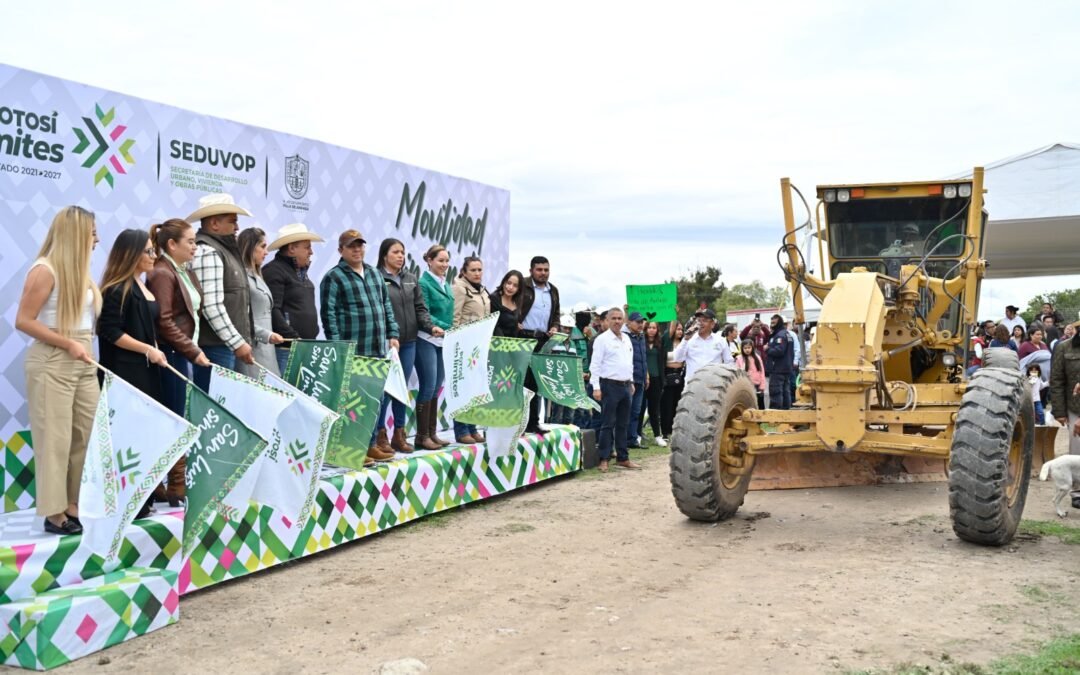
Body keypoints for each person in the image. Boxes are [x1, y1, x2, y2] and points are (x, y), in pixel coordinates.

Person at [15, 206, 102, 535]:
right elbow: (24, 320)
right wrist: (67, 343)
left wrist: (79, 345)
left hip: (83, 360)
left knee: (86, 435)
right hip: (53, 361)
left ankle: (75, 503)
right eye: (92, 233)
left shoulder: (80, 271)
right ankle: (54, 513)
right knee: (55, 440)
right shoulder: (45, 269)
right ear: (75, 234)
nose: (96, 239)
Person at [320, 230, 400, 464]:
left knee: (375, 400)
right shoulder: (333, 277)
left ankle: (370, 445)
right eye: (351, 246)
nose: (357, 250)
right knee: (352, 401)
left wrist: (393, 333)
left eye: (360, 245)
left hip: (377, 347)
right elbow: (328, 314)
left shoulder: (374, 274)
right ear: (341, 250)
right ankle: (351, 449)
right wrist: (338, 346)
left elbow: (386, 305)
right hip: (353, 349)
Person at [380, 238, 442, 454]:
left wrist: (430, 326)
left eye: (402, 252)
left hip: (409, 342)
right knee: (386, 390)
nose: (400, 256)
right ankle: (380, 436)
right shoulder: (376, 277)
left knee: (401, 389)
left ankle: (399, 434)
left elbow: (420, 308)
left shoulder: (410, 278)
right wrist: (389, 334)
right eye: (395, 252)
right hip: (388, 343)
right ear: (384, 255)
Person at [147, 219, 211, 414]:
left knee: (184, 412)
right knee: (176, 412)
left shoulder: (185, 271)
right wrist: (192, 351)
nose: (195, 247)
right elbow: (164, 321)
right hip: (173, 354)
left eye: (195, 242)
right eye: (190, 242)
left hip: (185, 352)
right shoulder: (162, 273)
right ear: (172, 244)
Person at [188, 193, 256, 374]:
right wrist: (237, 342)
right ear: (214, 224)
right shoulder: (207, 251)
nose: (237, 227)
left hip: (226, 345)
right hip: (217, 347)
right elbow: (210, 305)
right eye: (233, 221)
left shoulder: (220, 250)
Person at [97, 229, 168, 399]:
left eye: (154, 250)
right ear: (132, 254)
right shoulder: (116, 289)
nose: (154, 256)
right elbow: (111, 331)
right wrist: (147, 349)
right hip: (124, 373)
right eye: (149, 251)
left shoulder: (141, 285)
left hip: (145, 369)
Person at [263, 223, 324, 374]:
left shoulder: (300, 273)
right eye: (307, 247)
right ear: (291, 249)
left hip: (304, 347)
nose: (311, 252)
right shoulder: (274, 271)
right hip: (286, 349)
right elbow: (273, 309)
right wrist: (293, 337)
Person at [589, 307, 642, 472]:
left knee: (623, 424)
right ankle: (604, 458)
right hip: (609, 385)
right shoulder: (602, 340)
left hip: (626, 385)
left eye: (620, 318)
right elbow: (595, 365)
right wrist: (596, 387)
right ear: (607, 320)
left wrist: (631, 381)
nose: (617, 321)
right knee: (607, 423)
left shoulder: (626, 339)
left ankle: (623, 458)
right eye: (614, 318)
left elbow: (629, 362)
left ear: (624, 320)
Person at [416, 244, 454, 449]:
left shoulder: (445, 284)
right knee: (428, 385)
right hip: (426, 338)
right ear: (429, 260)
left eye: (447, 261)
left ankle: (432, 433)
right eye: (440, 260)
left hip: (442, 340)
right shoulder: (423, 283)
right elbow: (425, 312)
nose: (444, 264)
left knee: (437, 386)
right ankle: (422, 436)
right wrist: (448, 327)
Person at [450, 256, 490, 443]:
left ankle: (472, 427)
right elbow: (455, 316)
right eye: (473, 270)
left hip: (479, 345)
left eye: (479, 270)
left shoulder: (482, 290)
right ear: (464, 272)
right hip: (464, 345)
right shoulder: (459, 288)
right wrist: (456, 343)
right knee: (463, 388)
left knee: (475, 387)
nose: (477, 273)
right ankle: (461, 430)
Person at [520, 256, 561, 434]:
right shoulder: (522, 285)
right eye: (539, 270)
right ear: (531, 271)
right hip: (523, 338)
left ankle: (533, 422)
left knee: (536, 383)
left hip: (543, 340)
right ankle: (519, 423)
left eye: (546, 270)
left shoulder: (553, 290)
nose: (543, 273)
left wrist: (555, 326)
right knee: (522, 382)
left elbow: (556, 313)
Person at [236, 228, 284, 377]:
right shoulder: (240, 277)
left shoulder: (257, 276)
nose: (266, 252)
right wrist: (267, 335)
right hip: (252, 348)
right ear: (250, 247)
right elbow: (239, 318)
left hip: (265, 349)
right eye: (262, 246)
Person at [1049, 323, 1080, 508]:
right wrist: (1059, 411)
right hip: (1074, 406)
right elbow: (1057, 380)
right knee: (1077, 449)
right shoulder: (1063, 348)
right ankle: (1077, 491)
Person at [672, 308, 733, 381]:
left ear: (712, 324)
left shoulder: (721, 340)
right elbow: (677, 358)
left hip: (714, 384)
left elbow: (729, 363)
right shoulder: (688, 339)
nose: (700, 323)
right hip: (692, 384)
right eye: (698, 320)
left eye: (704, 320)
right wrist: (685, 339)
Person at [660, 320, 685, 442]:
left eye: (681, 330)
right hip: (667, 375)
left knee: (678, 404)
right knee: (667, 404)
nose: (680, 332)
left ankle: (677, 430)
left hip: (680, 375)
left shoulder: (684, 343)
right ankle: (665, 432)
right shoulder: (666, 343)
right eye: (678, 329)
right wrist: (674, 317)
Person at [642, 321, 667, 446]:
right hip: (643, 379)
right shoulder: (641, 342)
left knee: (654, 409)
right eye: (649, 327)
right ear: (645, 329)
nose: (651, 330)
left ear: (657, 330)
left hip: (656, 379)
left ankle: (657, 435)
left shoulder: (660, 343)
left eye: (654, 328)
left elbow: (663, 362)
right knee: (640, 409)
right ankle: (637, 435)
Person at [765, 314, 795, 410]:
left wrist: (767, 349)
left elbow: (779, 350)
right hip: (786, 368)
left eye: (774, 323)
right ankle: (786, 411)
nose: (772, 325)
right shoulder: (787, 334)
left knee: (776, 391)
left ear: (779, 323)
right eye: (771, 322)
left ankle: (776, 412)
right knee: (785, 391)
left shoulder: (780, 335)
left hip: (778, 368)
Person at [490, 270, 524, 337]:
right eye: (509, 283)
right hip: (498, 340)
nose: (510, 287)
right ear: (503, 282)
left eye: (515, 286)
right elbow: (495, 325)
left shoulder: (517, 301)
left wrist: (516, 325)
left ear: (519, 289)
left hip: (513, 340)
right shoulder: (494, 299)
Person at [736, 339, 767, 409]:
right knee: (748, 404)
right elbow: (738, 372)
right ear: (742, 349)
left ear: (752, 348)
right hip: (745, 385)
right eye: (745, 348)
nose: (747, 350)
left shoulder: (757, 358)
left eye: (749, 347)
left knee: (760, 404)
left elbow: (762, 372)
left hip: (757, 385)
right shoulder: (739, 359)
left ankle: (760, 416)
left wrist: (762, 386)